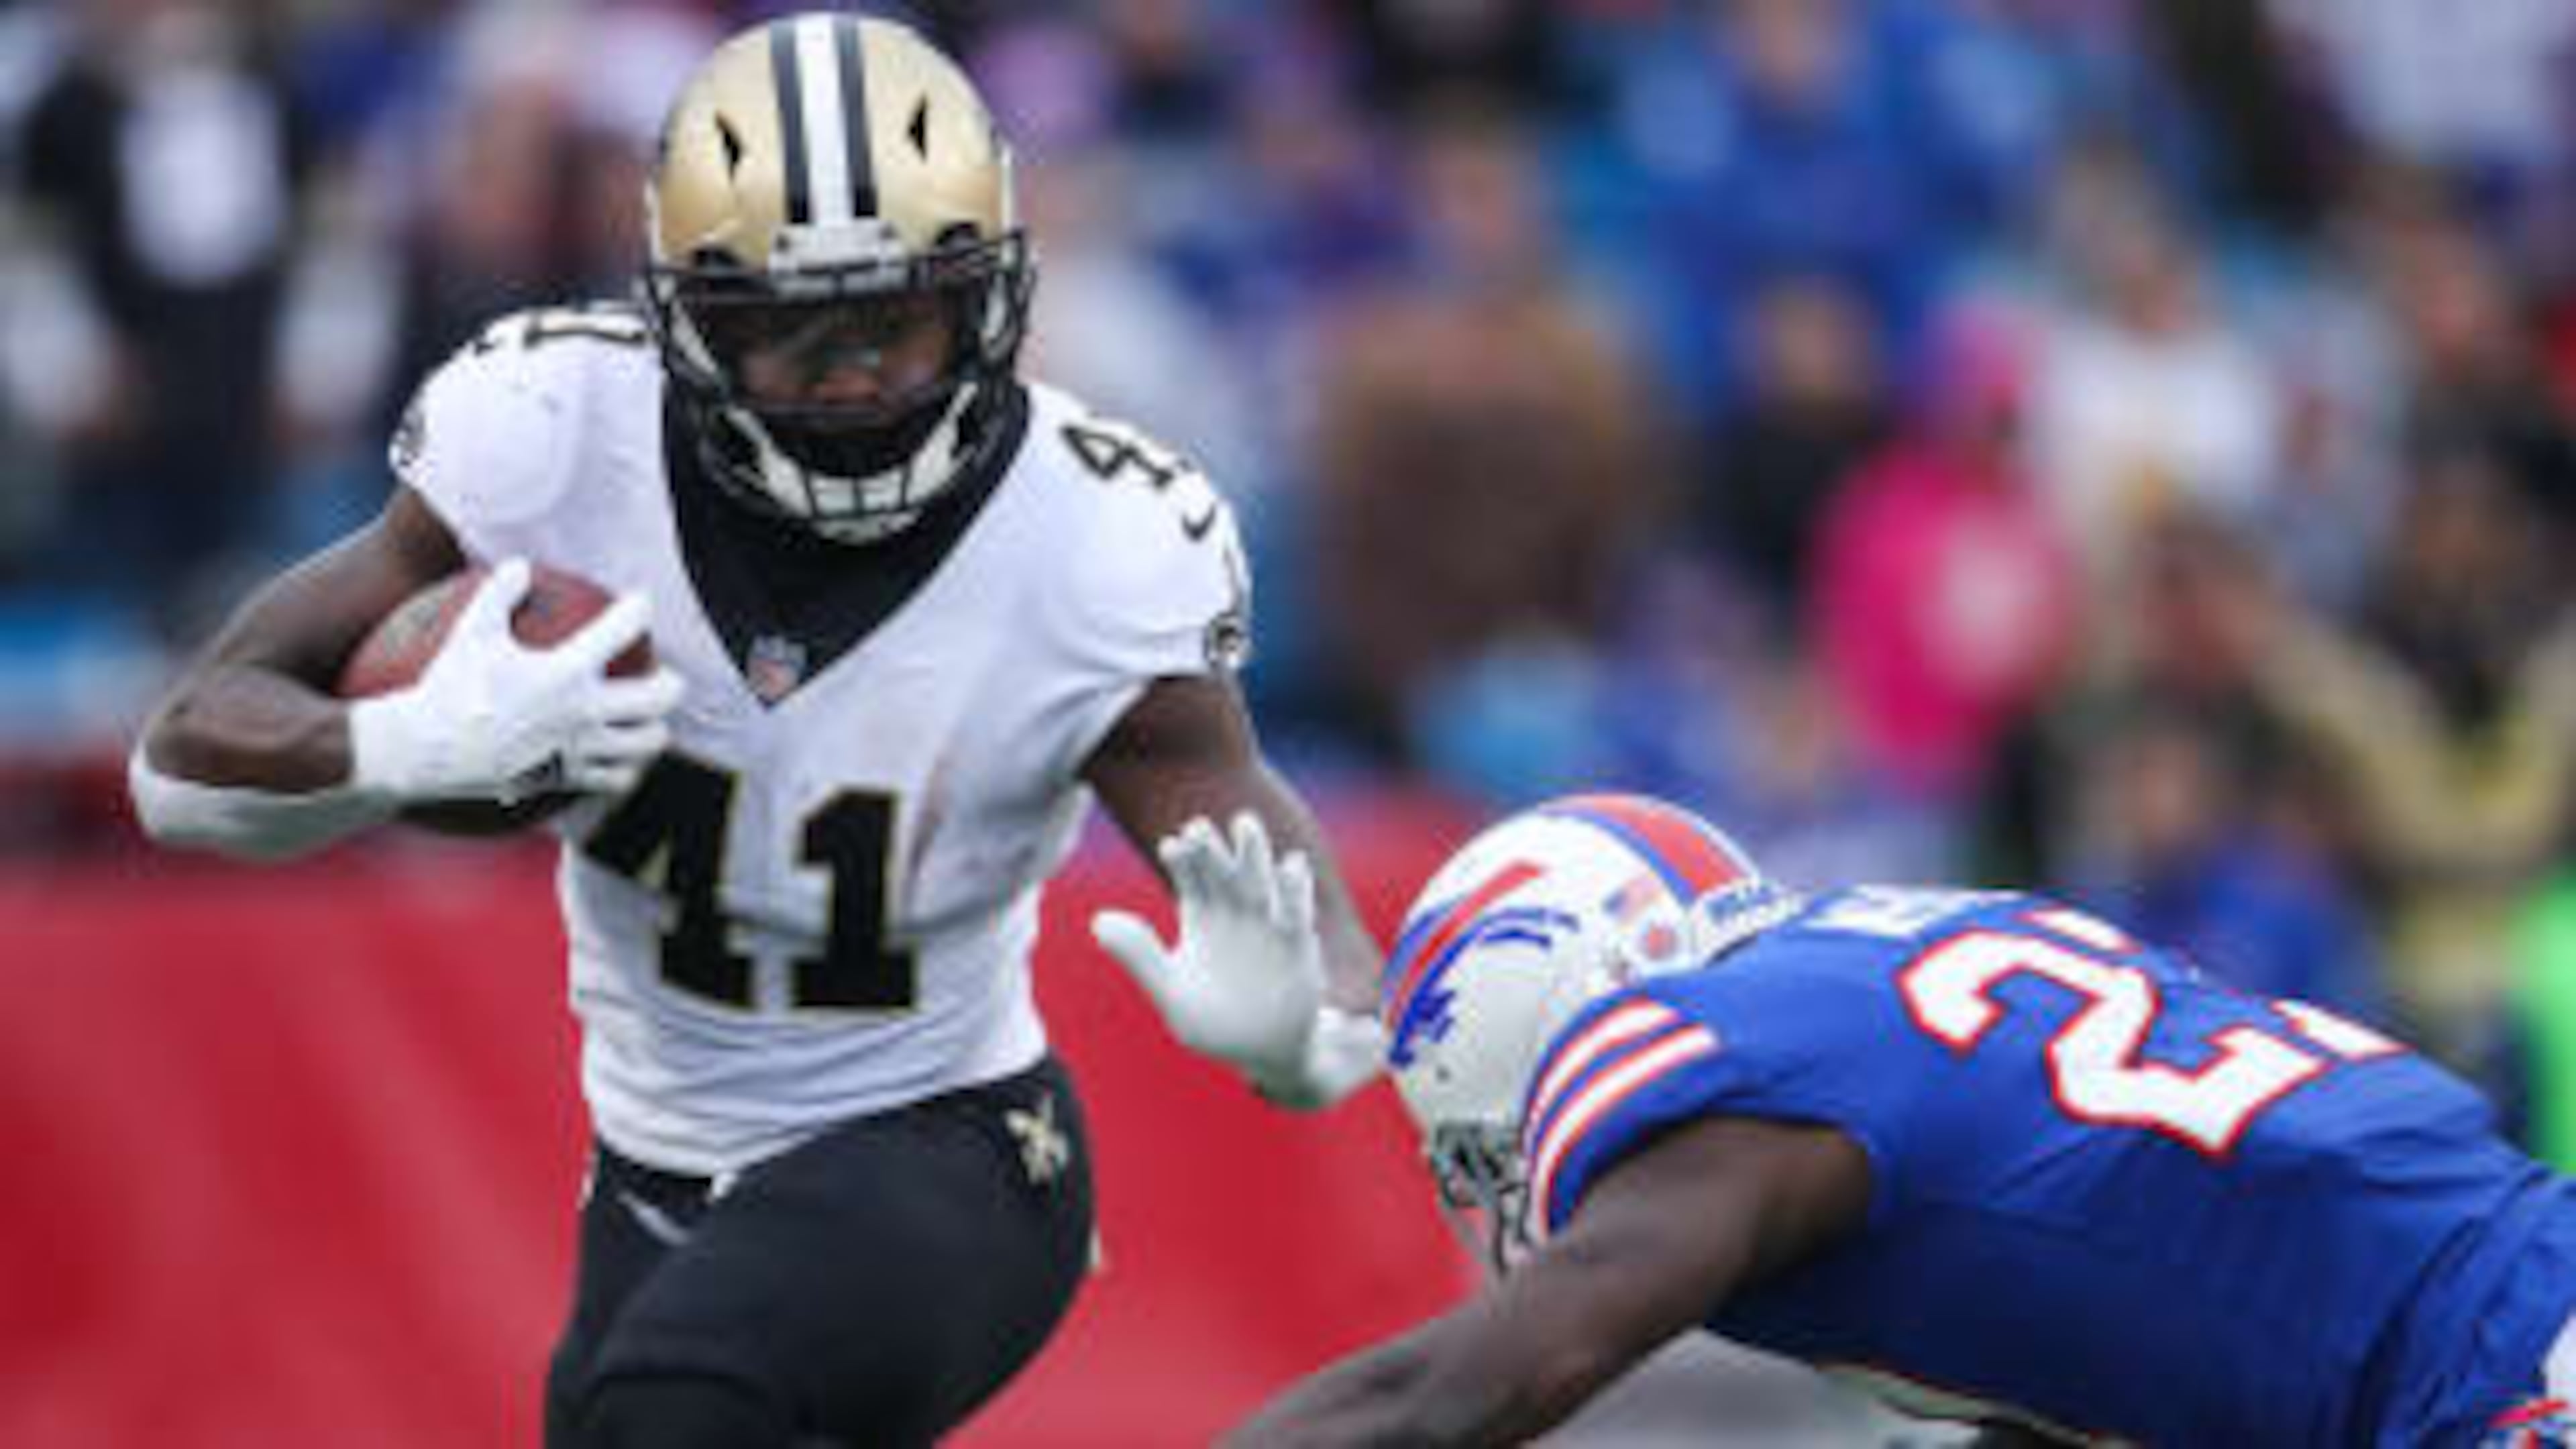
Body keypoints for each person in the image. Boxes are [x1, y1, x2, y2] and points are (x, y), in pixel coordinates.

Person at [124, 15, 1386, 1448]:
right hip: (654, 1171)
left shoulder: (1097, 538)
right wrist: (395, 752)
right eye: (793, 333)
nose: (851, 379)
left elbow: (1274, 865)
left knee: (680, 1407)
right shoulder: (551, 431)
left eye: (896, 322)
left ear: (989, 300)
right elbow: (182, 756)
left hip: (954, 1138)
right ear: (686, 320)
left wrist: (1305, 1032)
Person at [1227, 791, 2576, 1447]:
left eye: (1491, 1143)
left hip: (2483, 1370)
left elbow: (1456, 1392)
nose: (1516, 1183)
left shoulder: (1720, 1079)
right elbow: (2087, 1305)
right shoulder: (1890, 955)